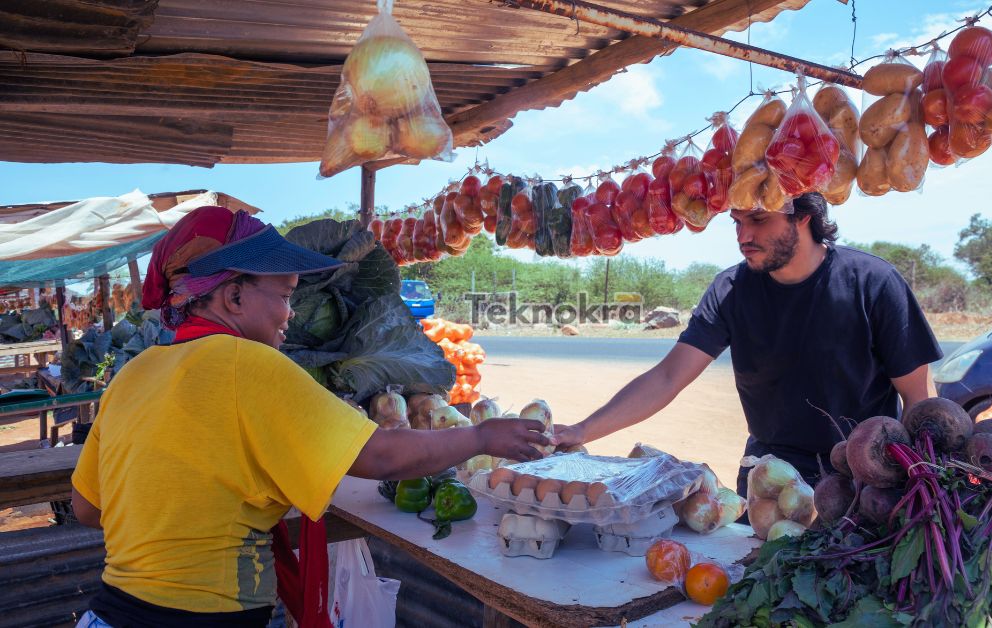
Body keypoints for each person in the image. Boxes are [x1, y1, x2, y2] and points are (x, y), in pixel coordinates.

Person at [70, 206, 547, 627]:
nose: (291, 314)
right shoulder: (249, 365)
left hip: (106, 615)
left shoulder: (134, 374)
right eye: (284, 296)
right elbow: (381, 457)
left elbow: (87, 508)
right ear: (233, 297)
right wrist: (480, 437)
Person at [554, 193, 941, 497]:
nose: (743, 237)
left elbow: (918, 397)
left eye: (758, 219)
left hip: (862, 479)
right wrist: (581, 431)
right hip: (767, 479)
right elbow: (668, 377)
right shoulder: (730, 290)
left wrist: (923, 487)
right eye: (737, 222)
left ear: (803, 216)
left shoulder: (873, 283)